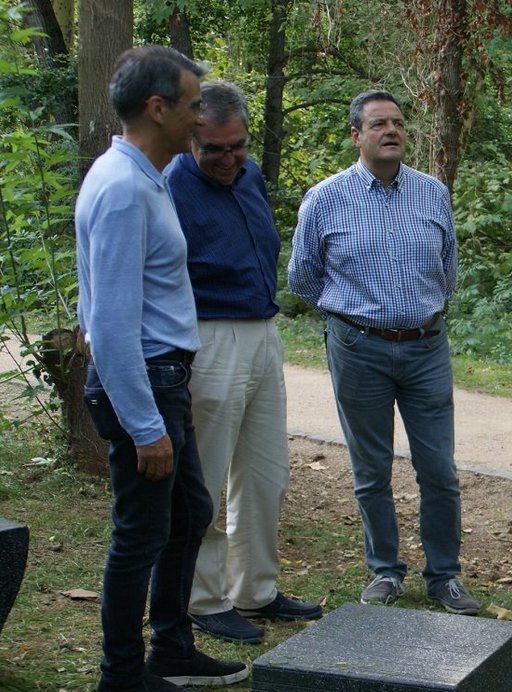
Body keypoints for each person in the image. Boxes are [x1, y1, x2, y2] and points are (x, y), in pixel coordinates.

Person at [76, 46, 248, 692]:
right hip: (142, 381)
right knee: (141, 532)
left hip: (163, 379)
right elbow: (110, 324)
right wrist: (145, 424)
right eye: (192, 102)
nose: (201, 114)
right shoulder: (121, 189)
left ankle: (171, 645)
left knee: (188, 514)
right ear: (159, 109)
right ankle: (120, 676)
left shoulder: (145, 175)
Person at [288, 89, 478, 615]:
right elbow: (302, 278)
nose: (391, 130)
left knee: (439, 469)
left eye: (397, 122)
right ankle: (385, 571)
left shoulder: (432, 193)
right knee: (371, 470)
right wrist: (351, 316)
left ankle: (444, 577)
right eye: (378, 124)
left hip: (425, 348)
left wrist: (418, 310)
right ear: (356, 136)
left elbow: (448, 270)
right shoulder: (325, 198)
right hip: (358, 349)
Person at [165, 80, 322, 645]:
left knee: (265, 474)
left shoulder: (248, 176)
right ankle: (203, 599)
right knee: (206, 475)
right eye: (215, 149)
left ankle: (255, 589)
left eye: (239, 146)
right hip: (208, 338)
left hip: (263, 333)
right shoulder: (170, 185)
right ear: (190, 139)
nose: (229, 159)